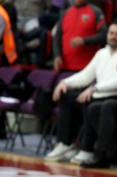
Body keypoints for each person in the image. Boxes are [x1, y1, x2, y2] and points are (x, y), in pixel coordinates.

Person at [45, 23, 117, 167]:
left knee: (95, 104)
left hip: (112, 97)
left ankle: (90, 150)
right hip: (98, 95)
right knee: (67, 95)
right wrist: (64, 83)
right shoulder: (101, 54)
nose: (113, 37)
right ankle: (64, 143)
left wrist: (94, 88)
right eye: (111, 33)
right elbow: (85, 76)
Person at [53, 0, 107, 73]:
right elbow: (57, 37)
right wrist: (57, 55)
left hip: (88, 67)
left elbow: (104, 35)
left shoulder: (96, 11)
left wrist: (84, 41)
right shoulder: (65, 13)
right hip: (65, 66)